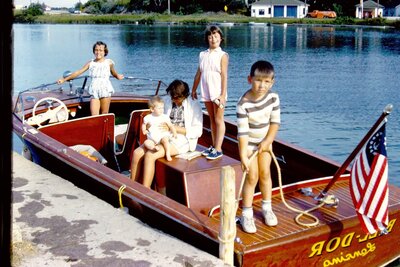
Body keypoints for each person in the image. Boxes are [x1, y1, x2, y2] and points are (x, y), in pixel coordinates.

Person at [130, 80, 203, 193]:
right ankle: (132, 186)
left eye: (176, 98)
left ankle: (145, 191)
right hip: (161, 135)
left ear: (184, 95)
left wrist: (173, 128)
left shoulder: (194, 105)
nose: (173, 100)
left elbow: (198, 131)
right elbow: (157, 116)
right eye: (172, 97)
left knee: (150, 155)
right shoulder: (167, 101)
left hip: (182, 139)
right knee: (137, 153)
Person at [236, 60, 281, 234]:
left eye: (266, 81)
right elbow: (243, 133)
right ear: (249, 79)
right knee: (252, 177)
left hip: (266, 143)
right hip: (249, 145)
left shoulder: (273, 98)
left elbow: (275, 123)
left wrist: (268, 141)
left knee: (265, 174)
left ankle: (266, 208)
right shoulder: (243, 104)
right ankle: (246, 213)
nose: (262, 85)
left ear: (272, 82)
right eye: (258, 80)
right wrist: (243, 157)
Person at [191, 25, 229, 160]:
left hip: (218, 92)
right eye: (210, 36)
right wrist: (194, 89)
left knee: (219, 120)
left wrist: (223, 95)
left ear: (221, 38)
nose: (213, 39)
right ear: (207, 38)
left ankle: (219, 149)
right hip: (206, 91)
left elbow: (224, 75)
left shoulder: (223, 55)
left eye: (216, 36)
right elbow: (198, 73)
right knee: (212, 119)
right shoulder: (202, 54)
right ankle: (214, 145)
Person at [57, 41, 124, 115]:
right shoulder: (91, 63)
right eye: (96, 50)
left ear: (105, 52)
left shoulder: (109, 63)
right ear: (94, 51)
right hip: (94, 89)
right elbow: (78, 72)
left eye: (101, 50)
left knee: (104, 114)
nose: (98, 52)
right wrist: (64, 79)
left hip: (105, 89)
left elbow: (113, 72)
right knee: (94, 115)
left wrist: (117, 76)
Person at [142, 95, 177, 161]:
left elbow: (170, 125)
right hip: (152, 138)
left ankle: (167, 153)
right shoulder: (148, 117)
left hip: (162, 136)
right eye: (159, 108)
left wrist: (174, 132)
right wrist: (144, 130)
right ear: (152, 109)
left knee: (165, 140)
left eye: (162, 108)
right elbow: (144, 124)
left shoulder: (165, 117)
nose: (162, 110)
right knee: (146, 142)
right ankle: (153, 148)